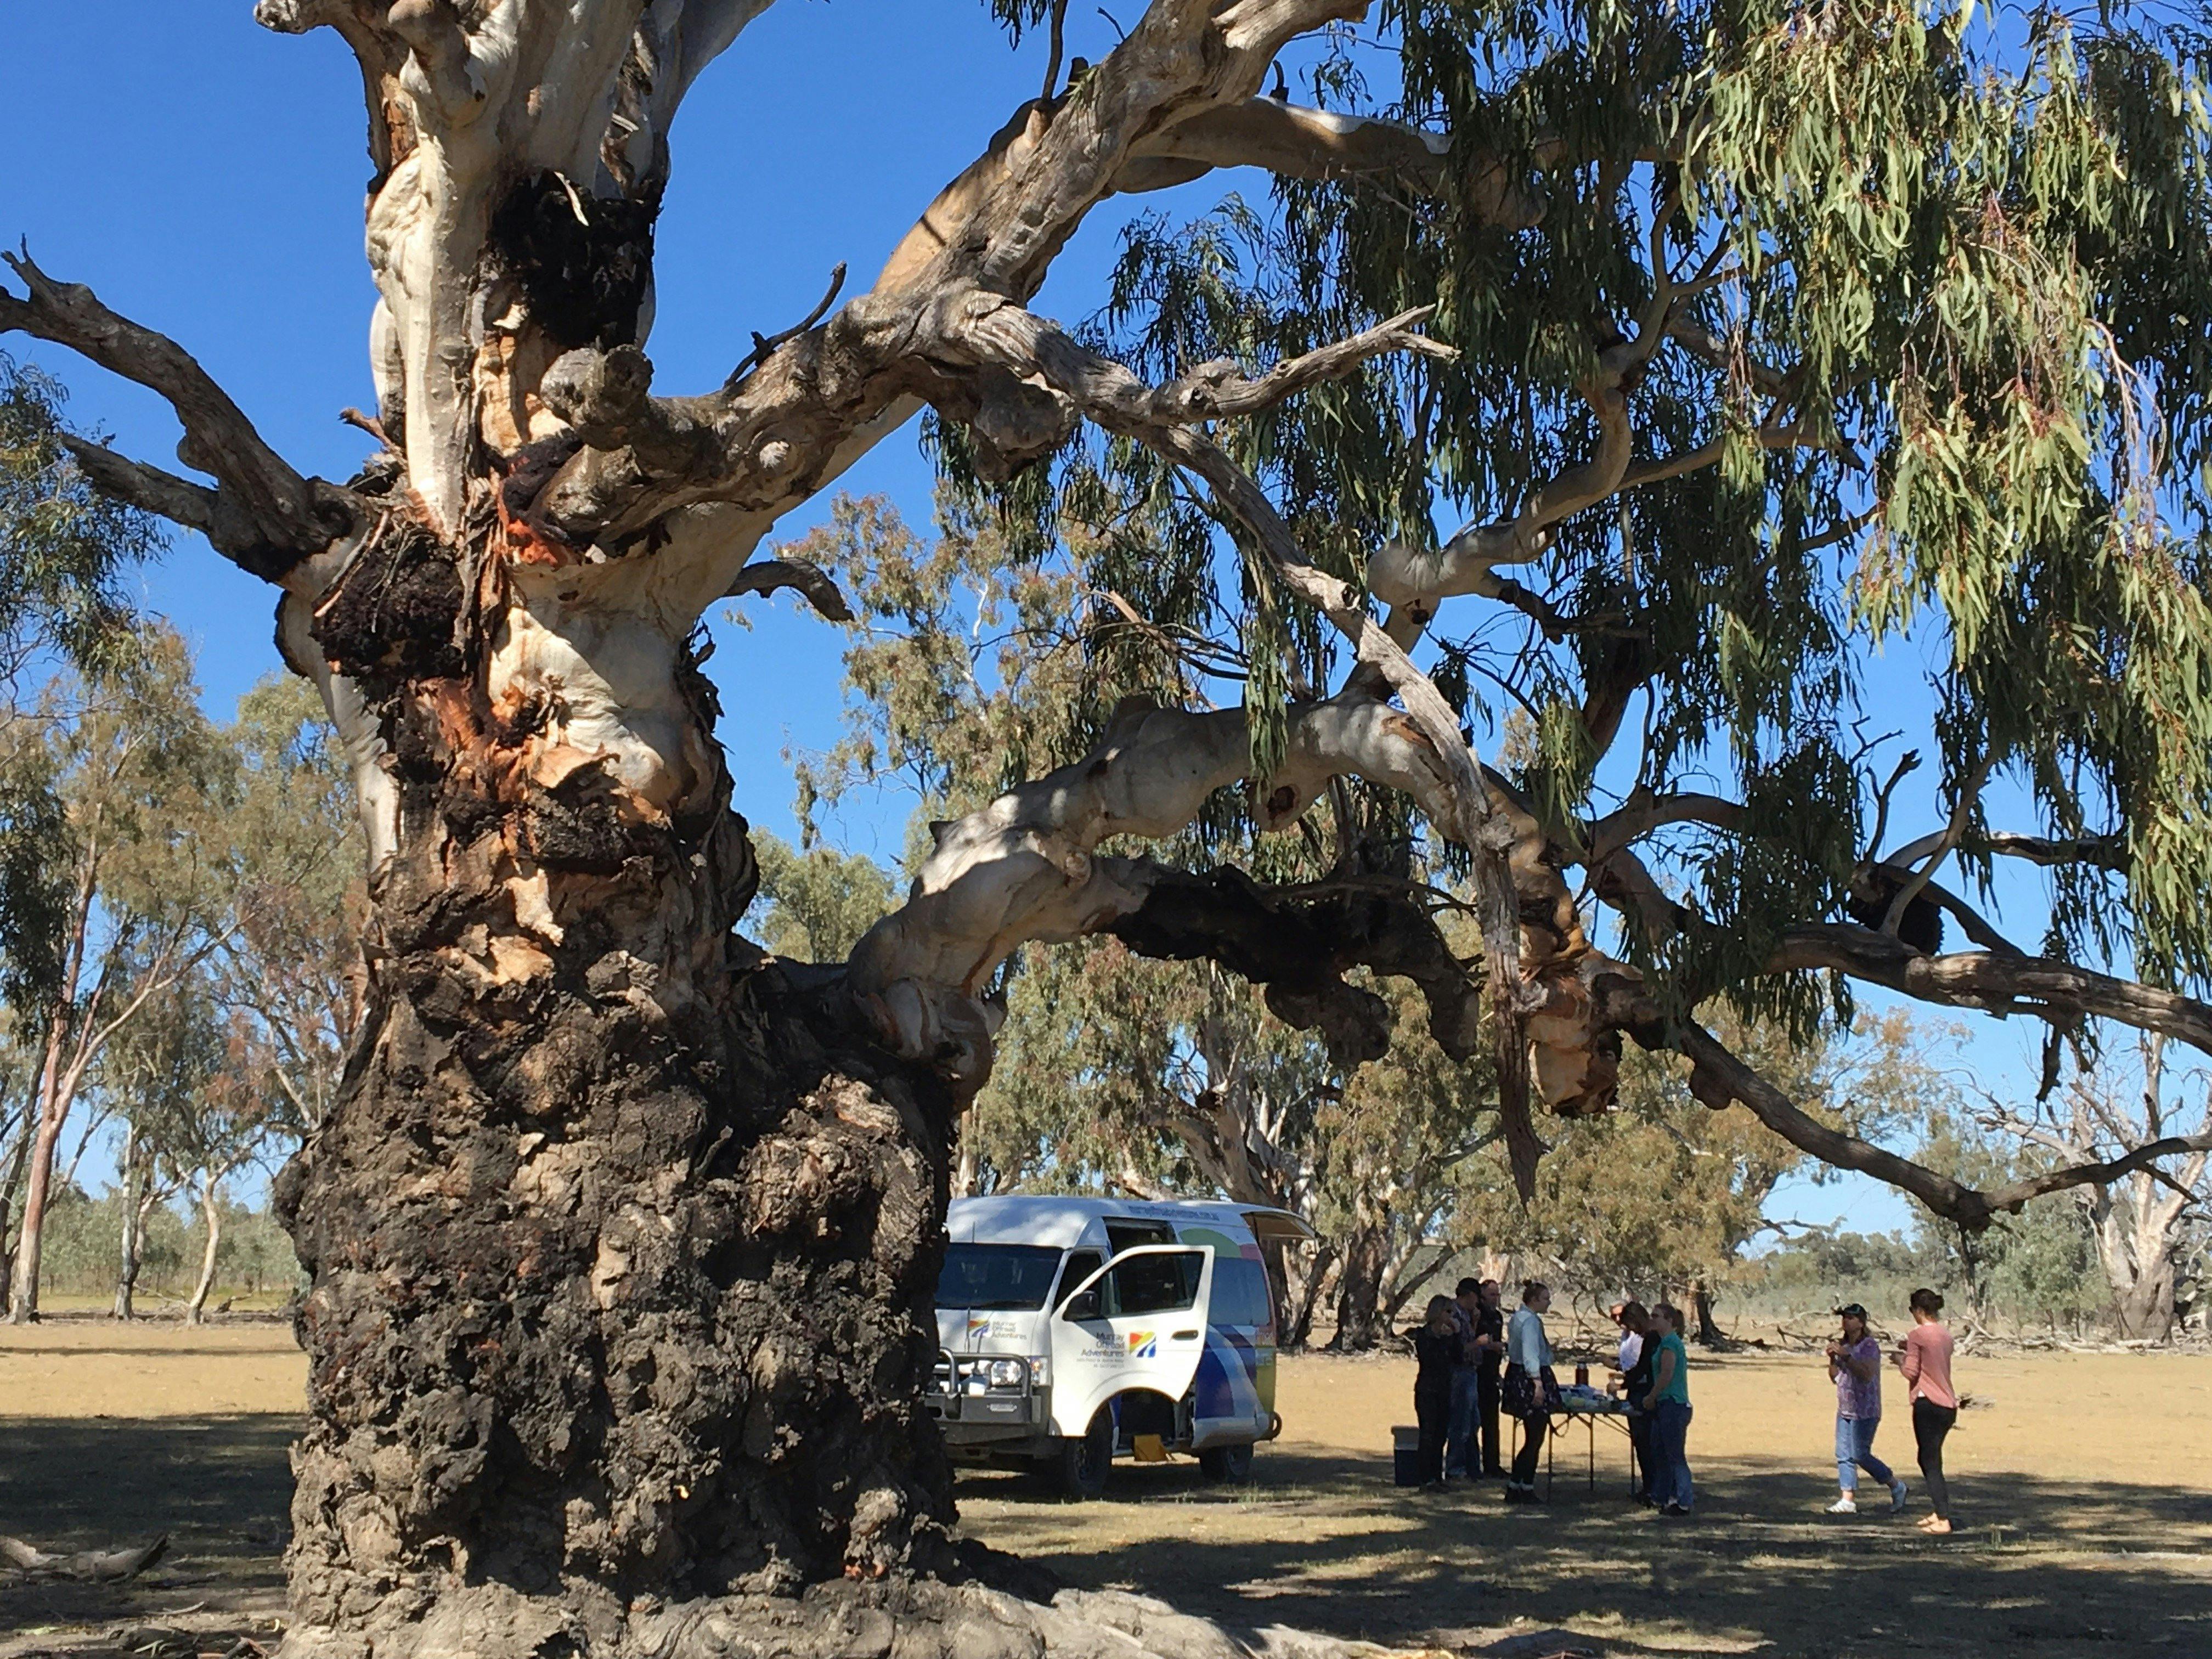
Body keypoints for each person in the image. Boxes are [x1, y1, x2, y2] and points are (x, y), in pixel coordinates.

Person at [1826, 1302, 1908, 1515]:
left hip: (1865, 1410)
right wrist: (1833, 1359)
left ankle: (1896, 1485)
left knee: (1860, 1454)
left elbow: (1866, 1374)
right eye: (1844, 1318)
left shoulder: (1869, 1346)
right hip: (1845, 1407)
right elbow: (1834, 1377)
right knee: (1843, 1454)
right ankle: (1847, 1500)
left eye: (1851, 1318)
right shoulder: (1844, 1345)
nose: (1846, 1321)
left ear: (1861, 1323)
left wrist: (1846, 1356)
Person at [1896, 1287, 1957, 1534]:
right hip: (1947, 1404)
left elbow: (1911, 1372)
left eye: (1912, 1310)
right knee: (1931, 1458)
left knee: (1928, 1460)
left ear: (1919, 1311)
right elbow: (1933, 1359)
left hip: (1927, 1403)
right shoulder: (1946, 1335)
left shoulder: (1917, 1335)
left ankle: (1944, 1518)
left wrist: (1899, 1359)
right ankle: (1938, 1510)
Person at [1504, 1280, 1556, 1503]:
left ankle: (1520, 1484)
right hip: (1528, 1378)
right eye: (1545, 1298)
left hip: (1517, 1374)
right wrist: (1538, 1384)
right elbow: (1530, 1355)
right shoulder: (1530, 1322)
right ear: (1533, 1300)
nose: (1549, 1302)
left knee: (1534, 1436)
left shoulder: (1518, 1318)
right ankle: (1522, 1486)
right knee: (1535, 1436)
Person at [1640, 1302, 1694, 1516]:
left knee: (1675, 1456)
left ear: (1669, 1321)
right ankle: (1661, 1496)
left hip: (1673, 1404)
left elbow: (1667, 1374)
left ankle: (1683, 1501)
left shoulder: (1670, 1344)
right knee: (1659, 1452)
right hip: (1664, 1405)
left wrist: (1651, 1396)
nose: (1653, 1319)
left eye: (1657, 1316)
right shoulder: (1663, 1342)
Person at [1412, 1295, 1459, 1488]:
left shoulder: (1448, 1337)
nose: (1451, 1316)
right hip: (1427, 1391)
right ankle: (1425, 1477)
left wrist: (1455, 1335)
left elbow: (1456, 1358)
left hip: (1445, 1389)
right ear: (1437, 1312)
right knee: (1428, 1433)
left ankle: (1437, 1475)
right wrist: (1444, 1340)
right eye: (1448, 1312)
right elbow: (1431, 1359)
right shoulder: (1423, 1335)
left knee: (1441, 1434)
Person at [1614, 1300, 1656, 1503]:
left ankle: (1654, 1489)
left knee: (1648, 1443)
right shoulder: (1643, 1337)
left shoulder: (1650, 1339)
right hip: (1636, 1391)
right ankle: (1648, 1486)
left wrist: (1622, 1385)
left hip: (1646, 1394)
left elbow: (1642, 1370)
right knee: (1640, 1444)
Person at [1446, 1278, 1486, 1480]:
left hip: (1470, 1373)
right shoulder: (1454, 1314)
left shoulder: (1467, 1315)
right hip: (1460, 1373)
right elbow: (1458, 1349)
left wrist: (1475, 1322)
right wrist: (1479, 1343)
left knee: (1473, 1422)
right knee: (1460, 1422)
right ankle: (1455, 1468)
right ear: (1469, 1296)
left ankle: (1471, 1467)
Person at [1473, 1279, 1508, 1479]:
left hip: (1491, 1375)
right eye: (1492, 1295)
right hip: (1475, 1373)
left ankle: (1492, 1465)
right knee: (1472, 1422)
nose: (1495, 1299)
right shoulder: (1476, 1315)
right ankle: (1471, 1465)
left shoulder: (1497, 1317)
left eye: (1497, 1295)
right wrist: (1488, 1346)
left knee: (1491, 1422)